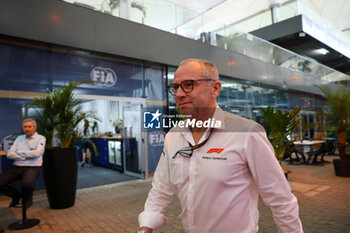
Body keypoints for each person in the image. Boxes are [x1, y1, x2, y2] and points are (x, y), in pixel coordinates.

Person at [137, 59, 303, 233]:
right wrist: (145, 228)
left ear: (215, 88)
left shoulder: (247, 133)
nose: (179, 94)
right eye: (176, 87)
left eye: (188, 85)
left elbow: (280, 199)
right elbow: (160, 190)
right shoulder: (173, 136)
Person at [0, 119, 46, 209]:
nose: (27, 129)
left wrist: (18, 153)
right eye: (25, 127)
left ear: (35, 127)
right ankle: (16, 195)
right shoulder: (19, 138)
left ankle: (28, 199)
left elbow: (37, 153)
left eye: (29, 126)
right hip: (17, 166)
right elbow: (9, 154)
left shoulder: (41, 138)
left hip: (33, 167)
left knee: (27, 183)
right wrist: (26, 155)